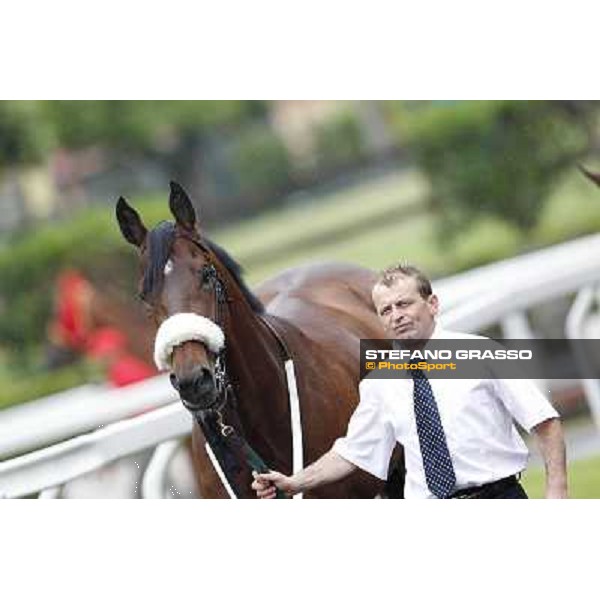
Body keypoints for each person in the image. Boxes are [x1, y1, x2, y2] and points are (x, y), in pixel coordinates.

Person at [252, 264, 568, 499]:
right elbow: (353, 452)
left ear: (432, 304)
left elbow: (545, 422)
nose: (395, 316)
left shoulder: (481, 353)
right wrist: (295, 481)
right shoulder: (380, 380)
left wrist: (557, 492)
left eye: (404, 304)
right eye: (386, 310)